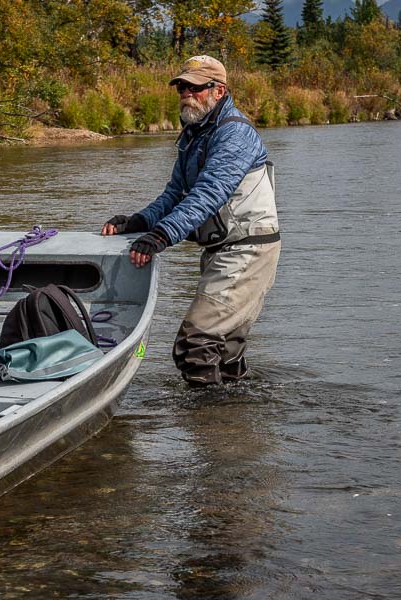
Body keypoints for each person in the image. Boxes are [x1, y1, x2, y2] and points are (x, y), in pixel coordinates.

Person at [101, 55, 280, 387]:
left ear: (219, 91)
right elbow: (175, 194)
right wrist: (140, 221)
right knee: (224, 350)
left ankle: (208, 424)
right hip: (224, 249)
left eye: (196, 87)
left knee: (194, 345)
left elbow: (209, 193)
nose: (186, 93)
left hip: (247, 251)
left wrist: (161, 236)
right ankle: (234, 419)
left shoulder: (235, 134)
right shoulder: (194, 134)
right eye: (182, 86)